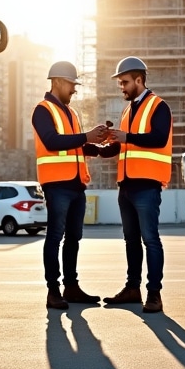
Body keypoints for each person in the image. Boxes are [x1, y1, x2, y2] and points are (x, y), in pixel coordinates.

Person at [32, 60, 115, 310]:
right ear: (57, 81)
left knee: (74, 238)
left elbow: (78, 145)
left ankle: (72, 287)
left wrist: (101, 146)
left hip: (76, 184)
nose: (75, 89)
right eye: (71, 84)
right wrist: (86, 136)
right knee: (55, 237)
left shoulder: (72, 113)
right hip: (56, 184)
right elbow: (51, 141)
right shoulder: (42, 110)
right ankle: (53, 291)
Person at [102, 56, 173, 314]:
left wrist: (126, 136)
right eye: (120, 82)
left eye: (125, 82)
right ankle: (133, 288)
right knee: (131, 240)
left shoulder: (158, 106)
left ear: (139, 80)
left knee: (150, 239)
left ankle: (154, 294)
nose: (121, 86)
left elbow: (158, 138)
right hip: (127, 185)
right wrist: (98, 147)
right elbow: (122, 145)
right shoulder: (126, 110)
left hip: (147, 185)